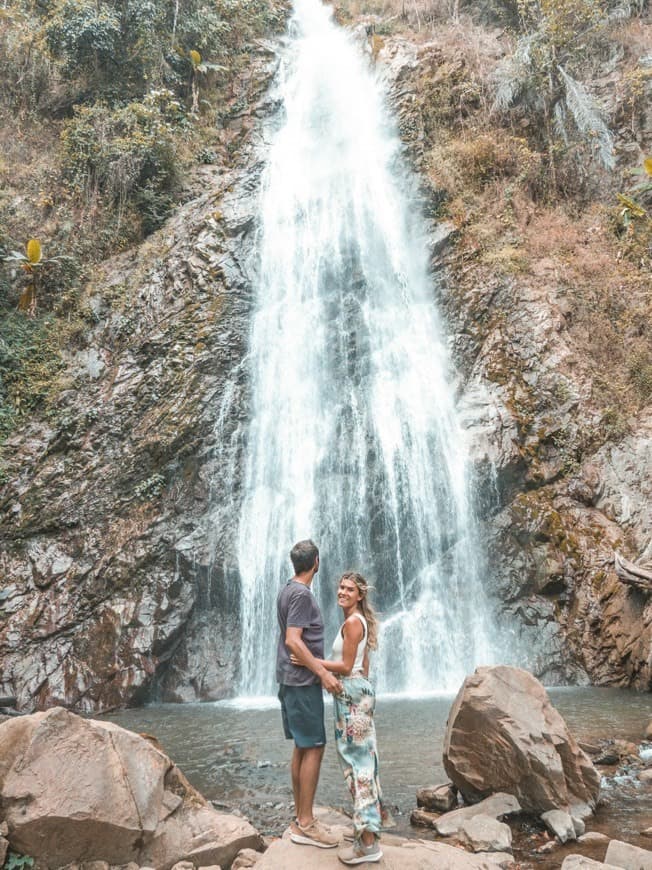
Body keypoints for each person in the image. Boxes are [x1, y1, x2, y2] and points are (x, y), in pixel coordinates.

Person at [292, 571, 391, 866]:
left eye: (349, 589)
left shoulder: (351, 622)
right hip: (358, 693)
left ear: (360, 595)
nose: (342, 592)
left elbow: (347, 666)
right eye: (341, 587)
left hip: (350, 695)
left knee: (356, 765)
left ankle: (368, 845)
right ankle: (368, 831)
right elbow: (364, 665)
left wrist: (310, 660)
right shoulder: (358, 621)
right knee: (365, 761)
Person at [276, 539, 343, 849]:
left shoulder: (288, 589)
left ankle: (300, 816)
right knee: (314, 746)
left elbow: (292, 641)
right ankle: (306, 823)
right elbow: (293, 640)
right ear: (317, 561)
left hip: (293, 679)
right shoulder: (302, 594)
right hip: (303, 682)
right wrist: (323, 673)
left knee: (303, 747)